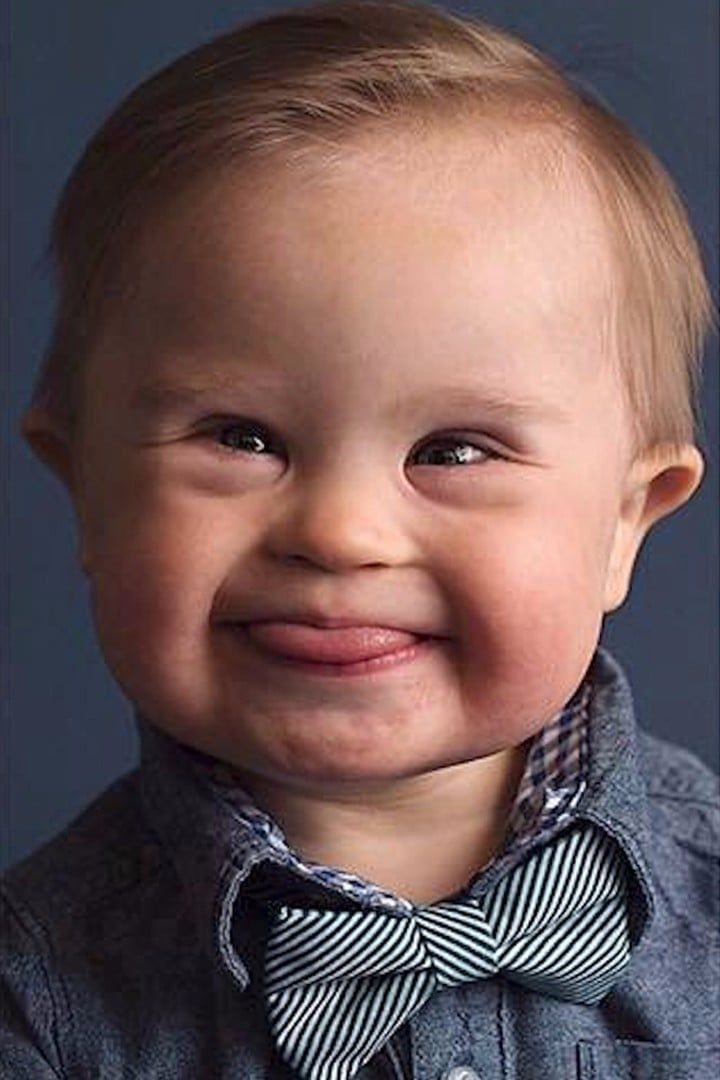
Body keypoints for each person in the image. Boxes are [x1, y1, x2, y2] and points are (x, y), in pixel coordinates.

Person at [2, 1, 718, 1077]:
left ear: (629, 519)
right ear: (87, 489)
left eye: (455, 450)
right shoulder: (37, 993)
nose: (340, 533)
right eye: (241, 437)